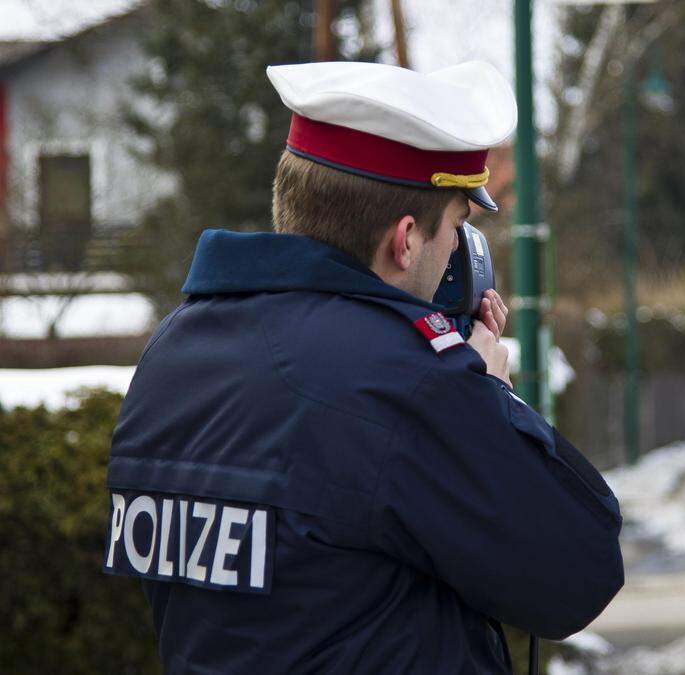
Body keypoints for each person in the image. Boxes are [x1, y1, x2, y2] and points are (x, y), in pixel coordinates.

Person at [103, 61, 624, 673]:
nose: (462, 251)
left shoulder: (173, 351)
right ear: (405, 239)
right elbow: (578, 572)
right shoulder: (407, 383)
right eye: (458, 226)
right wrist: (493, 401)